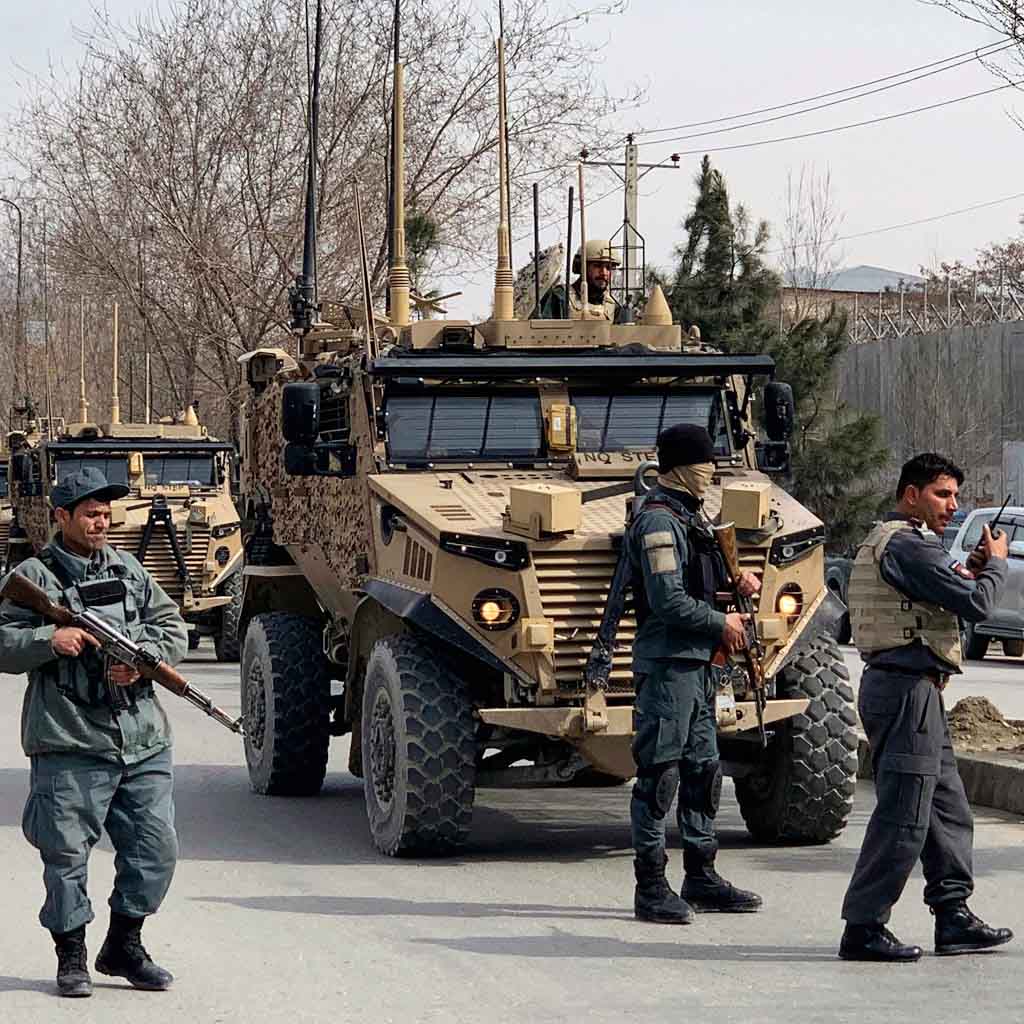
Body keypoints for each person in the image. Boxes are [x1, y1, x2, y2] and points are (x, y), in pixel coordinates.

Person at [0, 467, 188, 997]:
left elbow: (171, 626)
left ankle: (124, 946)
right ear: (62, 517)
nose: (102, 522)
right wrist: (48, 638)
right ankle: (72, 956)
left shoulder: (129, 569)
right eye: (90, 513)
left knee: (156, 848)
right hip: (69, 739)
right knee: (65, 856)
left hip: (141, 736)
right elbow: (2, 643)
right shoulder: (33, 577)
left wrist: (145, 661)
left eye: (106, 513)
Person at [839, 453, 1015, 962]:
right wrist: (997, 565)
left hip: (918, 691)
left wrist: (975, 569)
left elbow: (949, 588)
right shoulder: (906, 544)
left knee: (946, 810)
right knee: (903, 815)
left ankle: (953, 915)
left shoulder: (912, 544)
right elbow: (977, 605)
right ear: (910, 494)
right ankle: (864, 926)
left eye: (956, 496)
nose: (952, 506)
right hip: (904, 692)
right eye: (942, 494)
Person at [625, 423, 763, 923]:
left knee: (704, 772)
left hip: (700, 667)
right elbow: (666, 601)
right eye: (705, 467)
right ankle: (651, 886)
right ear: (682, 467)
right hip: (668, 668)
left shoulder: (692, 520)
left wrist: (734, 588)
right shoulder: (659, 523)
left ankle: (701, 876)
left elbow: (698, 586)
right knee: (659, 777)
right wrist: (720, 621)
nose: (710, 475)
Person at [538, 239, 622, 322]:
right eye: (597, 266)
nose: (604, 273)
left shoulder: (612, 307)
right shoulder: (561, 298)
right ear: (581, 267)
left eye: (608, 268)